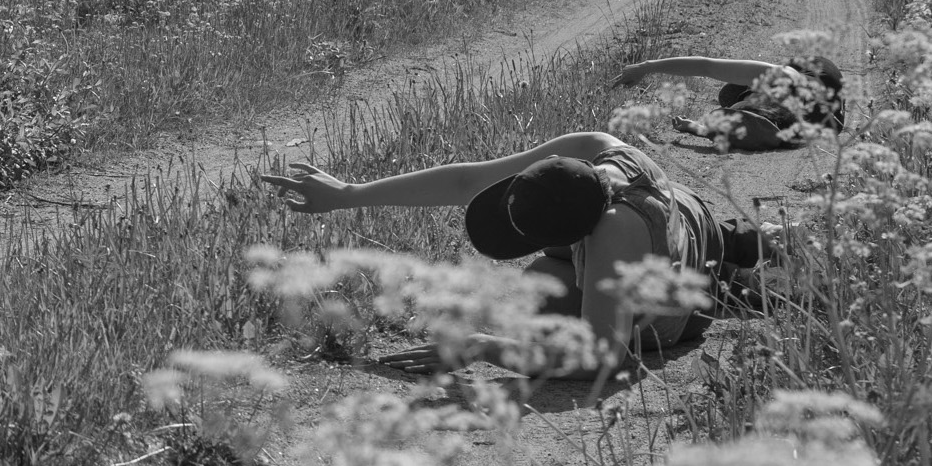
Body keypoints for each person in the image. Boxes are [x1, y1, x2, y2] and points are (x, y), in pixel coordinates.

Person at [261, 130, 766, 368]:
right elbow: (466, 182)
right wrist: (348, 195)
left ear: (579, 234)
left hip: (668, 293)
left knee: (545, 308)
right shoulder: (595, 150)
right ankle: (731, 251)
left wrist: (483, 346)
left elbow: (600, 353)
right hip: (687, 216)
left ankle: (725, 288)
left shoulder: (613, 232)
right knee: (540, 289)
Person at [614, 51, 844, 151]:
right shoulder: (788, 79)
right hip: (820, 84)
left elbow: (706, 66)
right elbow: (706, 66)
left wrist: (646, 67)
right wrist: (698, 128)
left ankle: (748, 108)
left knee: (729, 95)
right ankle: (750, 107)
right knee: (729, 95)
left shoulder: (785, 80)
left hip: (820, 101)